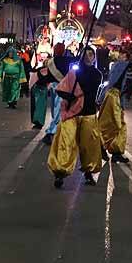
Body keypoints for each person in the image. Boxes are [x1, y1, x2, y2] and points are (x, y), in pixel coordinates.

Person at [48, 46, 104, 188]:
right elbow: (62, 88)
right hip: (72, 113)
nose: (88, 56)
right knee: (66, 143)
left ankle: (89, 172)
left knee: (89, 145)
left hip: (88, 113)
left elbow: (89, 88)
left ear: (94, 57)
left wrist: (77, 79)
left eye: (91, 54)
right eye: (85, 54)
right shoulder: (73, 72)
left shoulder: (97, 74)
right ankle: (60, 173)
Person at [97, 59, 131, 164]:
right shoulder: (120, 66)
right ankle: (102, 146)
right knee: (113, 125)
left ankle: (116, 152)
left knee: (118, 126)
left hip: (117, 98)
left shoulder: (123, 68)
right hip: (113, 98)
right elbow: (111, 84)